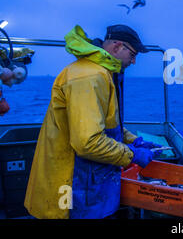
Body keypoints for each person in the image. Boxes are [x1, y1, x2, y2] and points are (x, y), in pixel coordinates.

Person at [24, 24, 160, 219]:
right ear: (117, 47)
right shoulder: (89, 77)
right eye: (133, 54)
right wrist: (132, 154)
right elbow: (88, 143)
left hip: (90, 180)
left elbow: (105, 123)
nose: (134, 61)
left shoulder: (101, 72)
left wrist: (132, 140)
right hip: (71, 183)